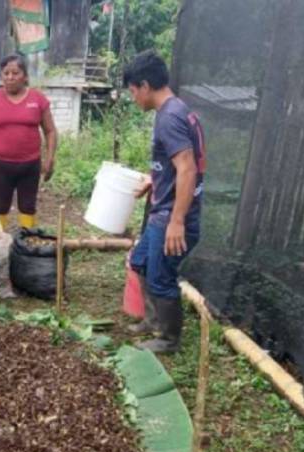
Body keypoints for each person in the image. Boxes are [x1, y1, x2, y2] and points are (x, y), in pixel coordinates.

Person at [124, 50, 205, 353]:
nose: (134, 99)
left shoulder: (169, 117)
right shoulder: (177, 109)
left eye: (133, 91)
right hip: (165, 209)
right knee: (140, 260)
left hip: (172, 215)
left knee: (161, 276)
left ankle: (169, 339)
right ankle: (152, 321)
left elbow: (187, 167)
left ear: (145, 85)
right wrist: (153, 180)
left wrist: (177, 221)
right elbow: (176, 163)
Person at [0, 54, 57, 230]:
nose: (10, 77)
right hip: (0, 166)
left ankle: (25, 245)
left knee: (27, 207)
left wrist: (50, 158)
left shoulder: (37, 99)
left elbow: (50, 131)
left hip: (30, 165)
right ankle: (0, 244)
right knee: (0, 207)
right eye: (6, 73)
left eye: (15, 73)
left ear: (25, 76)